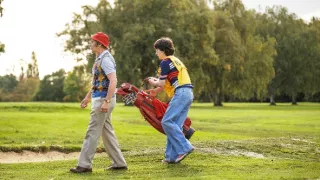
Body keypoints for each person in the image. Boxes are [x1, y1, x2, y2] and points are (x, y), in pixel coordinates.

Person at [70, 32, 127, 173]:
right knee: (107, 132)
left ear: (99, 44)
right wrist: (88, 97)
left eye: (92, 42)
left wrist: (107, 101)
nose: (90, 44)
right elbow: (98, 82)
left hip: (103, 100)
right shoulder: (99, 59)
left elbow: (113, 81)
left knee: (92, 131)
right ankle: (119, 163)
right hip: (99, 98)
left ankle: (84, 165)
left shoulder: (106, 59)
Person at [145, 37, 194, 164]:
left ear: (162, 50)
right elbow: (168, 82)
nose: (156, 53)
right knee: (175, 125)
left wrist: (152, 81)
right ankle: (171, 157)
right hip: (188, 93)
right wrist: (156, 90)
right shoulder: (176, 61)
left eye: (156, 50)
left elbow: (160, 82)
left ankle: (185, 147)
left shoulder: (165, 62)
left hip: (181, 93)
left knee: (166, 122)